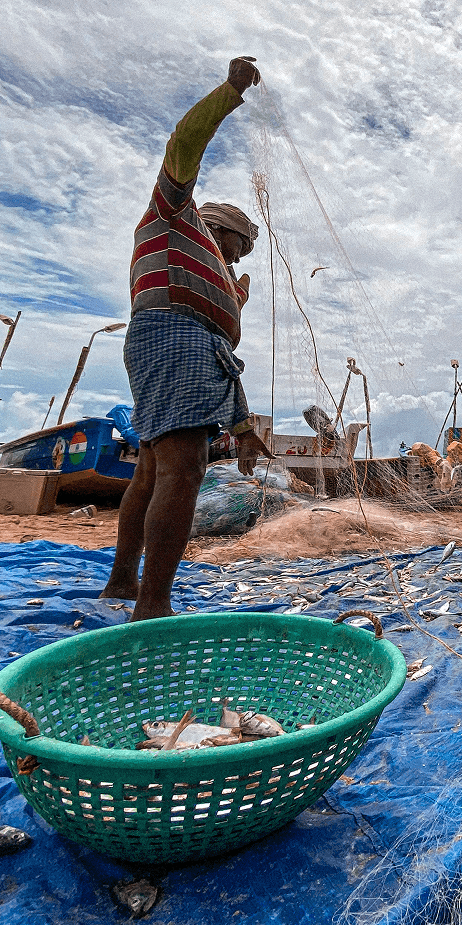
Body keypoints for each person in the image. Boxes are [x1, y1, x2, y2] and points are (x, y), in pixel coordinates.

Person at [101, 57, 274, 620]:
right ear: (213, 222)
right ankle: (153, 605)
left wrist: (244, 428)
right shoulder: (174, 212)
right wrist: (230, 93)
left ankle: (124, 581)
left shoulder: (218, 272)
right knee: (185, 467)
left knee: (153, 467)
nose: (235, 255)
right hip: (173, 335)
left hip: (195, 346)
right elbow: (186, 141)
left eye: (242, 252)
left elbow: (227, 356)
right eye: (234, 242)